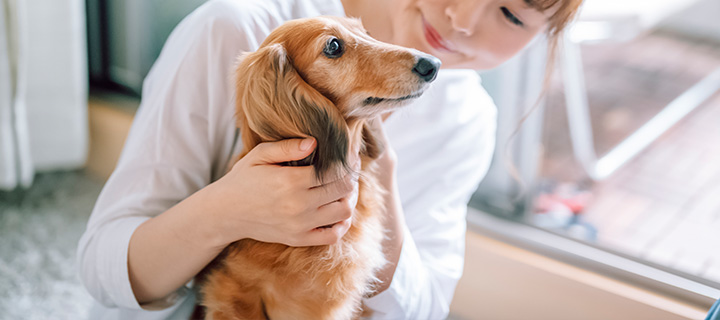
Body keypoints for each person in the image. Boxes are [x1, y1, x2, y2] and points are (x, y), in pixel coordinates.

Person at [77, 0, 583, 319]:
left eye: (513, 15)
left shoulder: (467, 116)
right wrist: (227, 211)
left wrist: (379, 185)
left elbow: (426, 309)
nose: (462, 19)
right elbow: (103, 268)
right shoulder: (236, 29)